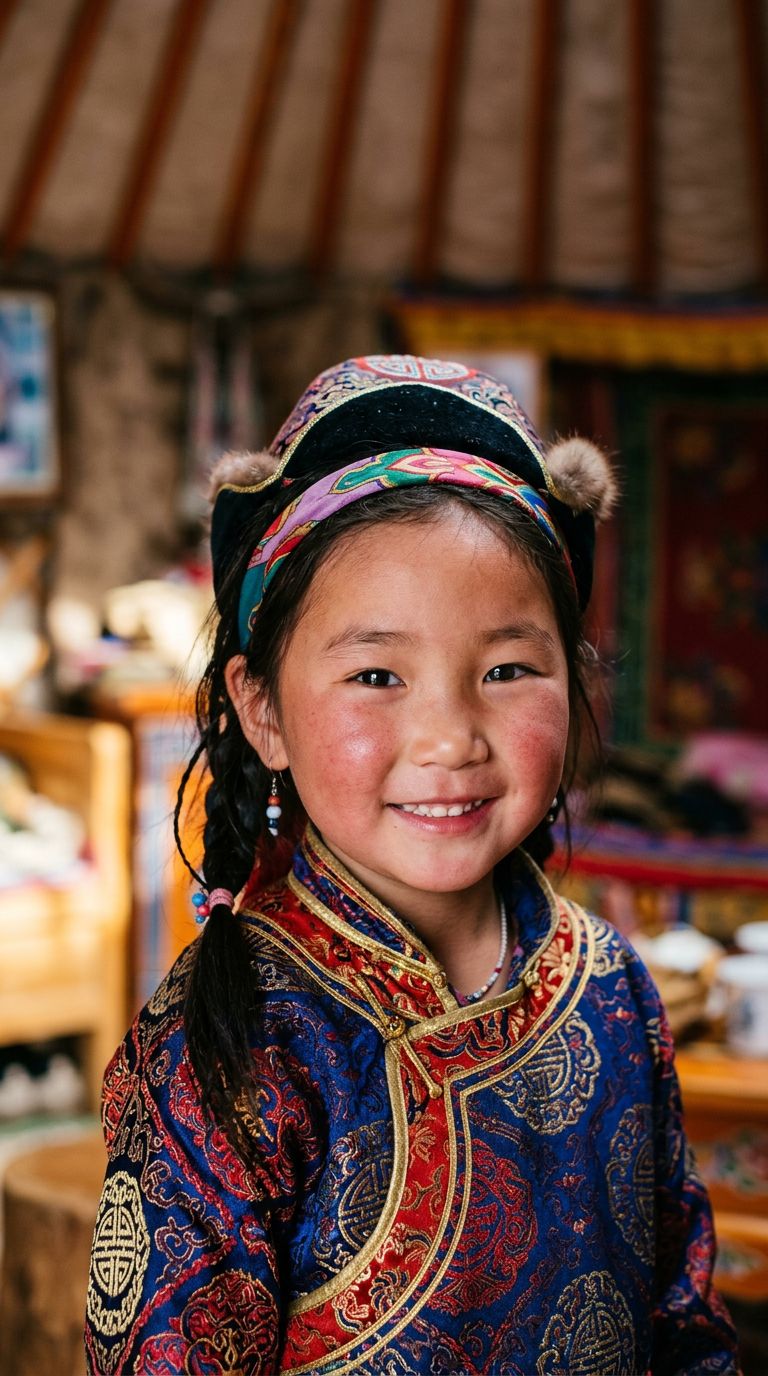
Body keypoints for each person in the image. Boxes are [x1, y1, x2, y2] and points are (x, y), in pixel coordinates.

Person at [85, 355, 740, 1376]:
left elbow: (684, 1326)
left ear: (576, 676)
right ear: (263, 709)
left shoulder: (613, 985)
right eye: (377, 673)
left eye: (508, 668)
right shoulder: (227, 1047)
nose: (449, 737)